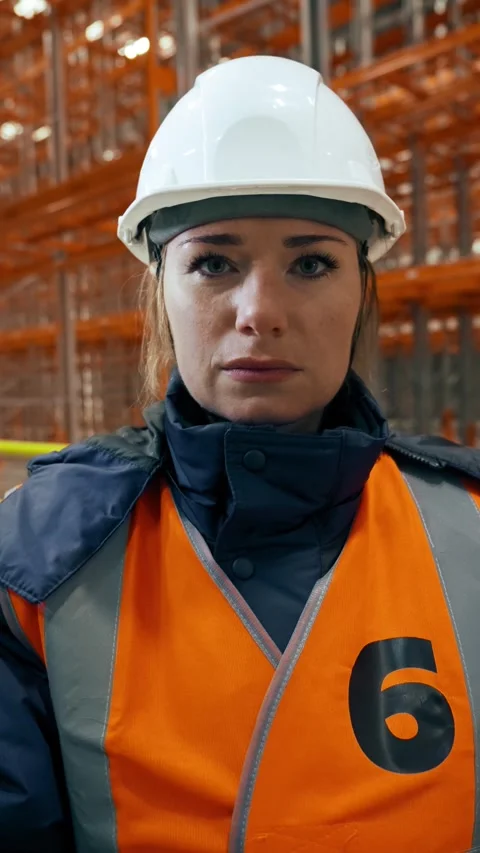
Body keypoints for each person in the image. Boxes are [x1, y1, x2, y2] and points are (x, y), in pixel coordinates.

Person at [0, 55, 479, 853]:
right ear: (162, 288)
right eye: (214, 263)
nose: (259, 311)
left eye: (312, 263)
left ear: (363, 288)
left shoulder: (468, 529)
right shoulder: (36, 563)